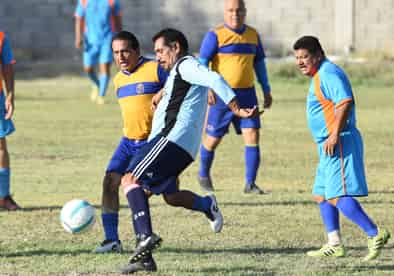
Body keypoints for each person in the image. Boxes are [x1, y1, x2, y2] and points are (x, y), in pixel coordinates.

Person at [119, 28, 259, 274]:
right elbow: (193, 85)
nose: (158, 57)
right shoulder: (180, 71)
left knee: (130, 180)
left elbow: (214, 79)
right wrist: (163, 93)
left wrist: (235, 107)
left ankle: (144, 238)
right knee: (170, 196)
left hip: (170, 140)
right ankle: (205, 206)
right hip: (182, 147)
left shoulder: (185, 64)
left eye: (161, 51)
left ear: (176, 48)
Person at [293, 35, 390, 261]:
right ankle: (334, 243)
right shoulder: (319, 75)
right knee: (321, 194)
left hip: (339, 142)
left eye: (304, 57)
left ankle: (375, 233)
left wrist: (335, 134)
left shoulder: (328, 73)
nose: (300, 62)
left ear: (317, 55)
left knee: (337, 196)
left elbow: (345, 101)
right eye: (297, 57)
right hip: (327, 145)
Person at [93, 31, 168, 254]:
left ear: (136, 50)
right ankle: (111, 240)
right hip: (128, 141)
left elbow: (178, 83)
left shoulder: (156, 69)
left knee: (169, 195)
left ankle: (144, 238)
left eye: (125, 51)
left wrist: (163, 91)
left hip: (152, 142)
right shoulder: (117, 80)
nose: (121, 57)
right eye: (116, 53)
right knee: (109, 182)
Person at [197, 0, 273, 194]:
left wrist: (266, 89)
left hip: (247, 94)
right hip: (222, 96)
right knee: (213, 138)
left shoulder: (253, 35)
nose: (235, 14)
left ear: (244, 12)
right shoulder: (215, 35)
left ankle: (250, 184)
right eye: (231, 10)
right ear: (225, 12)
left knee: (253, 134)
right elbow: (202, 63)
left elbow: (260, 65)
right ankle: (203, 174)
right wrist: (208, 88)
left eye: (239, 10)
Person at [74, 0, 122, 105]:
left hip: (108, 38)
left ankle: (101, 95)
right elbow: (79, 18)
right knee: (88, 68)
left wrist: (120, 37)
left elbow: (118, 19)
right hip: (90, 40)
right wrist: (78, 37)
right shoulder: (83, 1)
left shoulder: (112, 1)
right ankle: (97, 84)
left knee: (104, 66)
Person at [0, 31, 19, 211]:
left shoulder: (1, 37)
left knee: (0, 147)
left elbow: (7, 66)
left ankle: (3, 196)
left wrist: (10, 95)